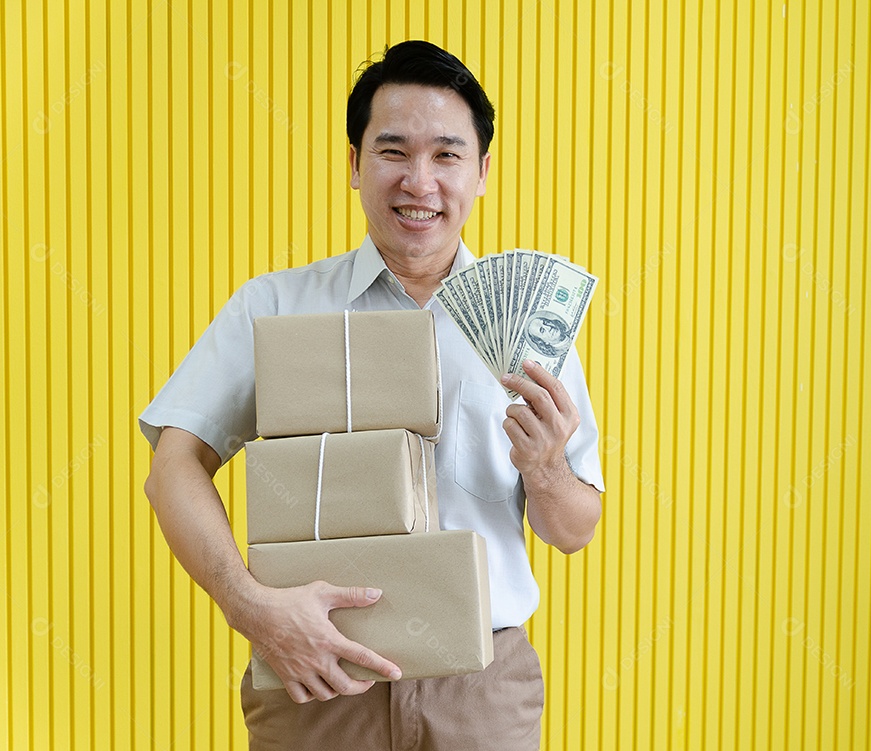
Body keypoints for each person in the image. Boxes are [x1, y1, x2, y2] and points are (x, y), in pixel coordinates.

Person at [140, 40, 604, 750]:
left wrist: (546, 469)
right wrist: (252, 608)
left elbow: (573, 529)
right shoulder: (275, 306)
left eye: (447, 155)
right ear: (353, 164)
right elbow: (173, 464)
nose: (419, 181)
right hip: (315, 681)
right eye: (393, 151)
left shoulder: (531, 328)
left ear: (481, 173)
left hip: (482, 693)